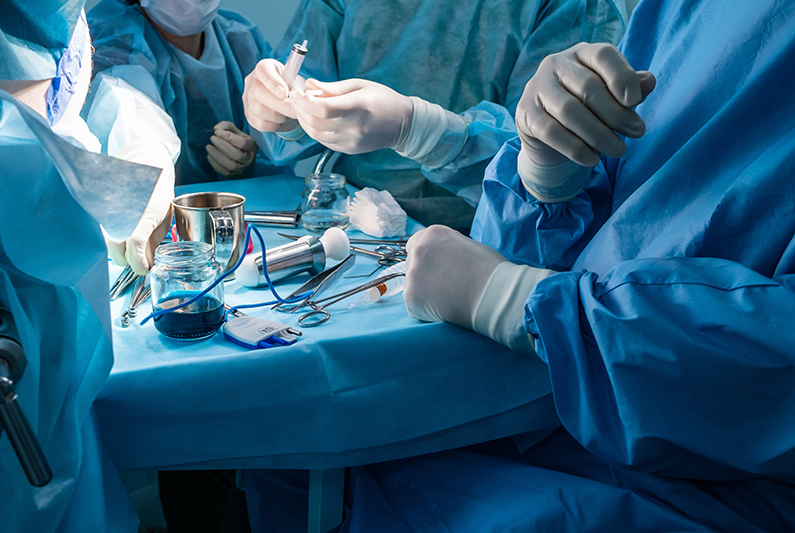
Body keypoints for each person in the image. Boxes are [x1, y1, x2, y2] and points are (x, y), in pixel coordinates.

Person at [327, 0, 795, 530]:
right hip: (561, 413)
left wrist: (516, 298)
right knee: (309, 468)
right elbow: (619, 212)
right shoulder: (681, 11)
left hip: (709, 481)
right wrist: (544, 180)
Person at [0, 2, 168, 530]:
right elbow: (19, 133)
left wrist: (141, 135)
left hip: (46, 298)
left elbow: (105, 64)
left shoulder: (60, 12)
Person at [244, 0, 628, 233]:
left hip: (482, 241)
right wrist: (287, 114)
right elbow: (304, 75)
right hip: (354, 223)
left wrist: (421, 131)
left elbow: (558, 169)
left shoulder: (576, 7)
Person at [86, 0, 287, 185]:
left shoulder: (240, 39)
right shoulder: (115, 48)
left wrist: (251, 157)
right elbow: (129, 163)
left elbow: (278, 144)